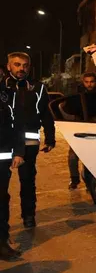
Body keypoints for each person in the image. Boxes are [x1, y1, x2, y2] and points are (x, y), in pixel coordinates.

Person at [5, 52, 55, 229]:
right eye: (17, 64)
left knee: (27, 181)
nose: (21, 69)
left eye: (25, 65)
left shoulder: (38, 87)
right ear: (8, 66)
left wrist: (50, 138)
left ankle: (28, 215)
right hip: (4, 143)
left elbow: (46, 114)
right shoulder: (2, 87)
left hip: (29, 143)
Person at [0, 78, 26, 260]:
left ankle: (2, 243)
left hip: (1, 160)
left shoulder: (8, 95)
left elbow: (18, 124)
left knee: (1, 202)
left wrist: (18, 151)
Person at [68, 72, 96, 190]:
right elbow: (69, 108)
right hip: (78, 127)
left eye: (92, 82)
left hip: (94, 128)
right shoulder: (77, 94)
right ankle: (74, 179)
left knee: (90, 157)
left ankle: (89, 182)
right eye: (87, 82)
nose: (89, 84)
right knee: (73, 156)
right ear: (83, 82)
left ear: (95, 82)